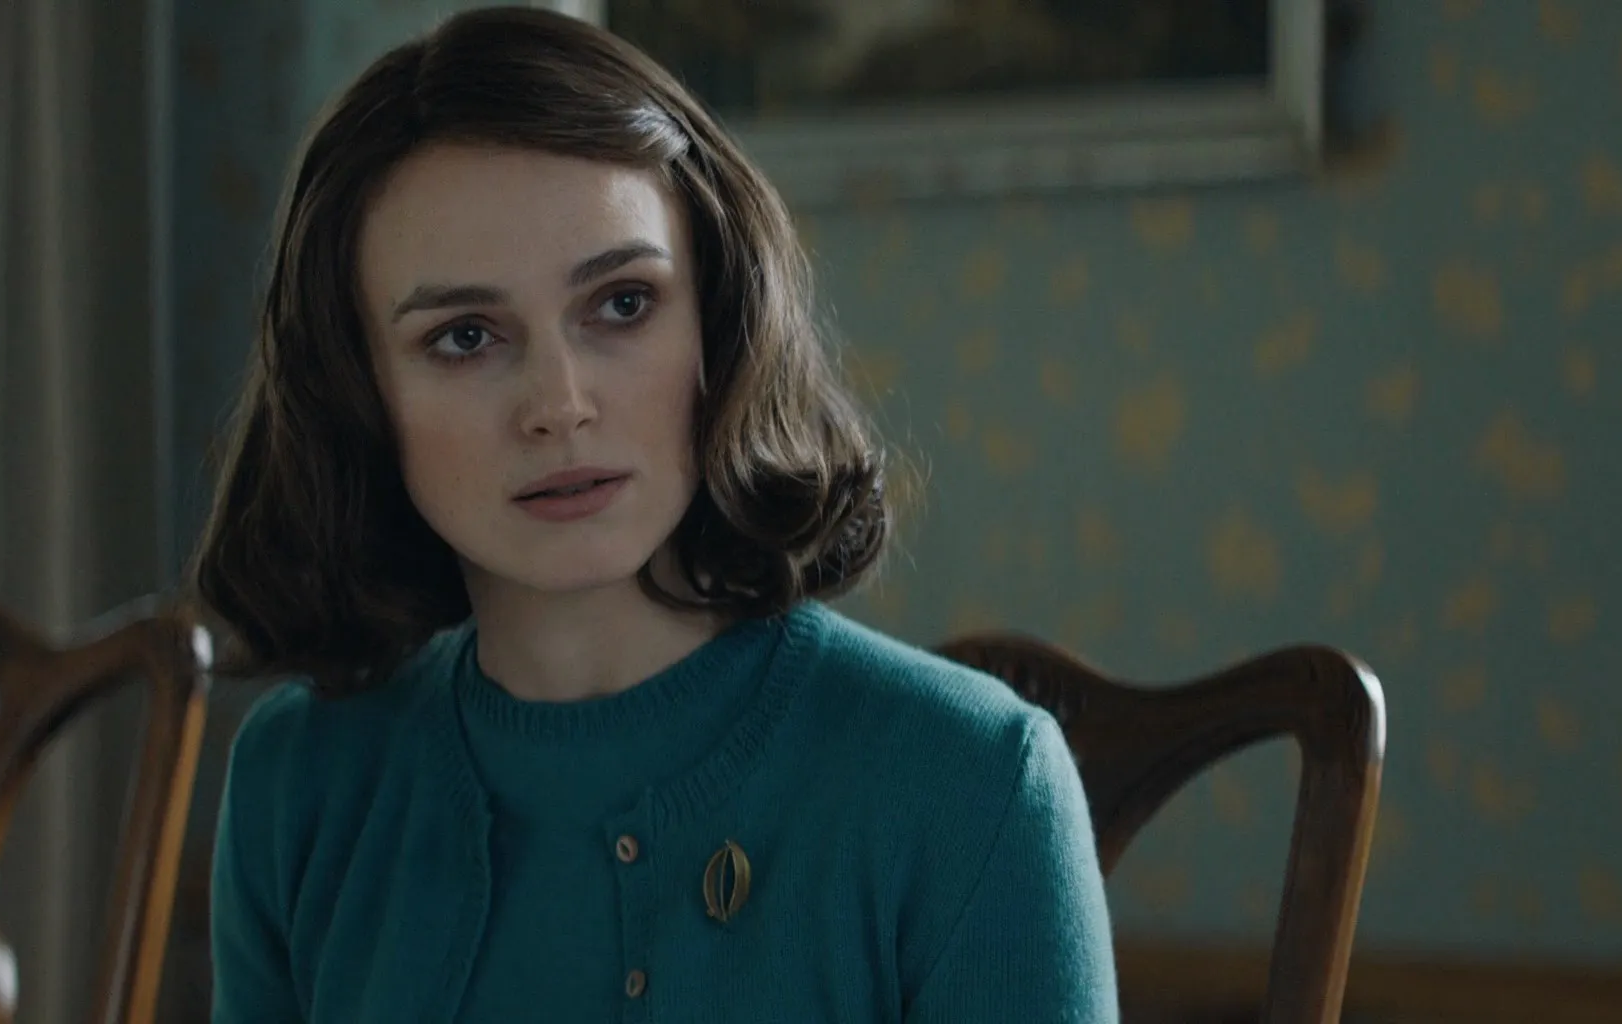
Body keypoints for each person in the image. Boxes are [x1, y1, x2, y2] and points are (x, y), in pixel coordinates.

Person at [192, 6, 1117, 1021]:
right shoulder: (300, 784)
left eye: (623, 304)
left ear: (718, 324)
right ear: (358, 394)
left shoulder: (973, 781)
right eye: (465, 337)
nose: (559, 405)